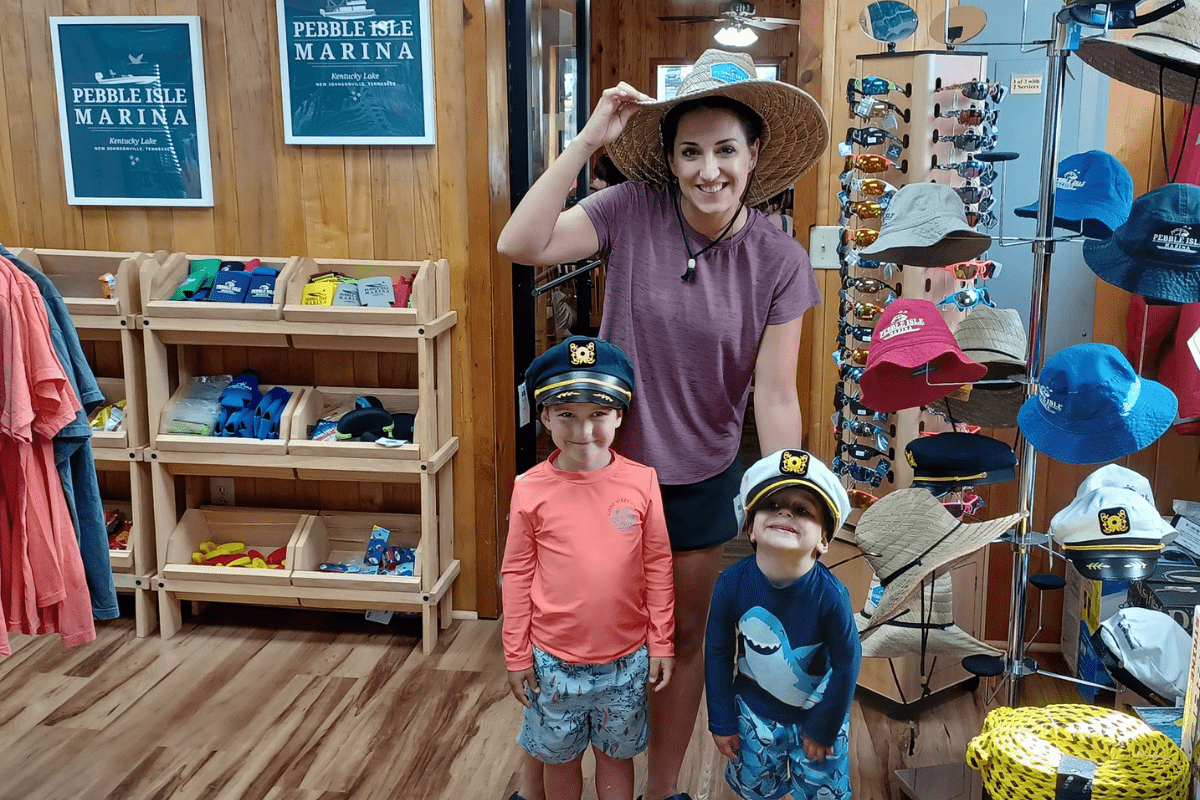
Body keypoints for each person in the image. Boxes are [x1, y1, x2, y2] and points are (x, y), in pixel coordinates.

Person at [498, 48, 828, 800]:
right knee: (566, 635)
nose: (707, 170)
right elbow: (520, 245)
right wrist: (587, 141)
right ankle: (535, 785)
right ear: (670, 160)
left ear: (755, 155)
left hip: (699, 482)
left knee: (677, 642)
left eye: (724, 151)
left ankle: (664, 789)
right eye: (689, 152)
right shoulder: (629, 212)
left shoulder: (780, 261)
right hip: (596, 471)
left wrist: (788, 501)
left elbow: (774, 396)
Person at [502, 335, 676, 800]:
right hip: (552, 663)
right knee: (559, 762)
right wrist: (516, 654)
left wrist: (661, 641)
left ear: (619, 414)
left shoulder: (642, 482)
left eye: (598, 414)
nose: (583, 430)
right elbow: (516, 574)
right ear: (544, 416)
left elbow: (658, 564)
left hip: (626, 660)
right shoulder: (529, 488)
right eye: (567, 415)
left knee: (616, 758)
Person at [706, 449, 861, 800]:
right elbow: (717, 652)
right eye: (771, 505)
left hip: (821, 713)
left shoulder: (832, 597)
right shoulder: (730, 583)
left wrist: (824, 727)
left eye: (803, 510)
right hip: (753, 713)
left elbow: (847, 663)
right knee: (756, 791)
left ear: (824, 540)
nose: (785, 512)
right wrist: (721, 719)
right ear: (751, 529)